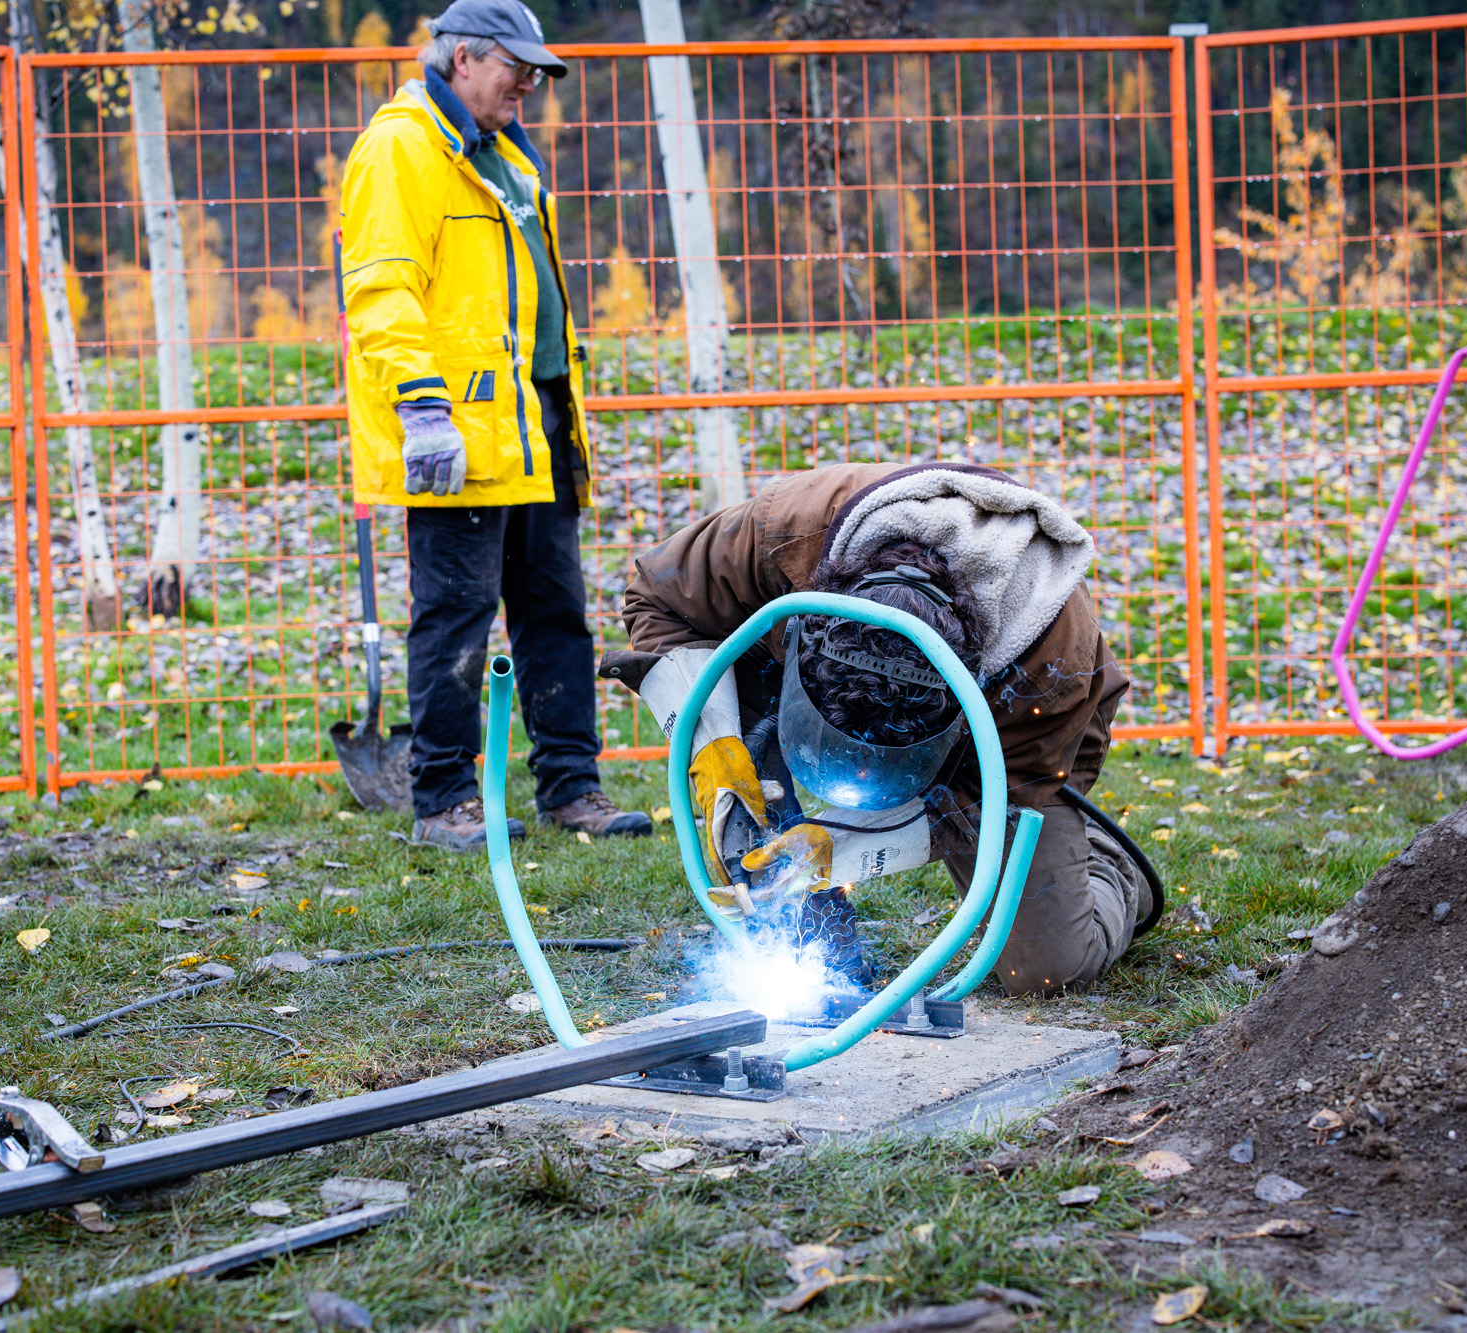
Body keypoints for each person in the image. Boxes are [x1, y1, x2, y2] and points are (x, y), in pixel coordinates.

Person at [601, 462, 1157, 998]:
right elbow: (660, 596)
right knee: (750, 825)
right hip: (785, 668)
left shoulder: (1049, 662)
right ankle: (810, 937)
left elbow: (1001, 791)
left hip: (1007, 761)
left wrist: (848, 840)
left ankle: (1106, 863)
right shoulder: (784, 535)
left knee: (1047, 968)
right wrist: (716, 746)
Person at [338, 0, 651, 852]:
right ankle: (442, 798)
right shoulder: (403, 149)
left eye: (536, 69)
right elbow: (380, 290)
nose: (530, 84)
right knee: (456, 617)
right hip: (460, 432)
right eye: (517, 66)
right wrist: (422, 406)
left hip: (538, 422)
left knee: (556, 612)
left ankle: (571, 788)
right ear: (464, 58)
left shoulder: (505, 154)